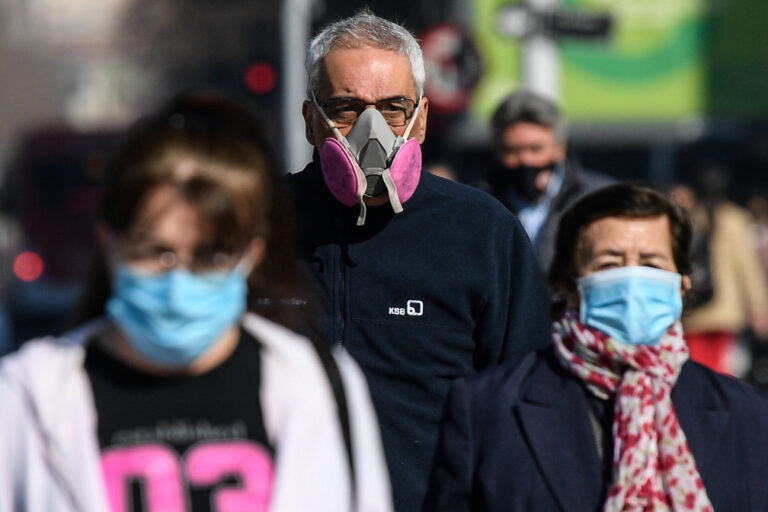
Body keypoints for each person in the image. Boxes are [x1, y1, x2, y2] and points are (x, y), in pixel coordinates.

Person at [0, 92, 393, 512]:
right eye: (155, 252)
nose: (178, 280)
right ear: (110, 244)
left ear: (250, 255)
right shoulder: (28, 395)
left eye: (210, 256)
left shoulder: (319, 385)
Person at [289, 9, 551, 511]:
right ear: (310, 121)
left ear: (422, 119)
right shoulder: (259, 226)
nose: (370, 129)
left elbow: (528, 410)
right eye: (345, 107)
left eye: (392, 108)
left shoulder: (481, 234)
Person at [424, 183, 768, 511]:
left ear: (682, 286)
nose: (632, 281)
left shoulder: (748, 416)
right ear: (569, 287)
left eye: (650, 264)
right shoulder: (487, 408)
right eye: (609, 264)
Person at [485, 90, 613, 270]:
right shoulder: (480, 203)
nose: (525, 160)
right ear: (498, 150)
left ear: (559, 148)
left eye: (535, 149)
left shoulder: (599, 199)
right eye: (512, 150)